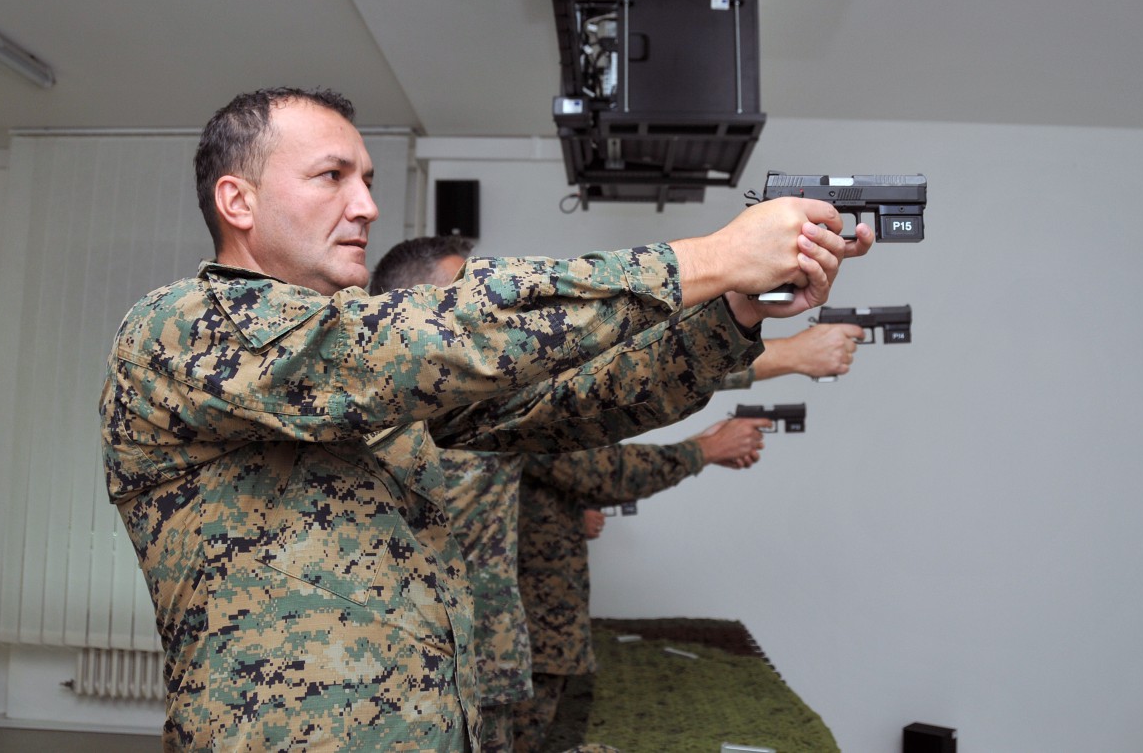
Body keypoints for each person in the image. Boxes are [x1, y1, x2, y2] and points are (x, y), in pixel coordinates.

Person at [99, 86, 870, 751]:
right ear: (237, 201)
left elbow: (571, 404)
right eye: (331, 177)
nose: (365, 206)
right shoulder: (182, 328)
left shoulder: (371, 377)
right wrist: (705, 260)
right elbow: (448, 336)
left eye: (366, 180)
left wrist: (730, 313)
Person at [370, 237, 864, 753]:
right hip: (452, 665)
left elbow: (599, 382)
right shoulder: (425, 401)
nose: (487, 320)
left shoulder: (425, 401)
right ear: (411, 312)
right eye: (463, 303)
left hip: (462, 660)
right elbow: (594, 388)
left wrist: (747, 322)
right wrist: (778, 357)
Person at [512, 324, 865, 752]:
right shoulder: (508, 379)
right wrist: (705, 449)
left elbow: (562, 459)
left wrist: (559, 512)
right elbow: (612, 446)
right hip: (519, 639)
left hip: (527, 632)